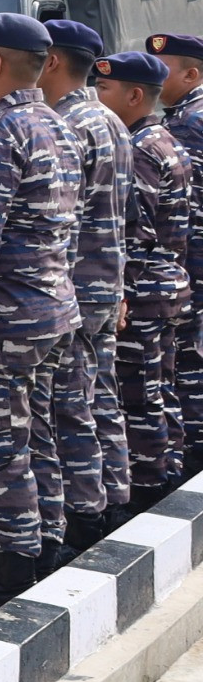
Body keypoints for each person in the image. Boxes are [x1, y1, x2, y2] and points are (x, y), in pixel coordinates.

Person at [0, 13, 82, 614]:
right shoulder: (57, 124)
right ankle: (45, 547)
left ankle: (12, 567)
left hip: (7, 320)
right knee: (39, 436)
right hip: (53, 308)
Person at [38, 18, 132, 566]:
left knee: (69, 408)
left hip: (75, 286)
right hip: (102, 283)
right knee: (98, 400)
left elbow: (62, 224)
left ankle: (86, 516)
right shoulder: (108, 120)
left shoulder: (69, 124)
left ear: (51, 61)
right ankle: (111, 499)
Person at [92, 50, 193, 512]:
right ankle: (168, 469)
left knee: (140, 396)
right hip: (167, 285)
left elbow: (135, 232)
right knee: (160, 386)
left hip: (145, 291)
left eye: (106, 88)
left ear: (135, 95)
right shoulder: (161, 140)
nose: (97, 95)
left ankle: (151, 486)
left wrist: (121, 294)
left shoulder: (140, 149)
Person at [152, 32, 203, 478]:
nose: (154, 72)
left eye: (163, 65)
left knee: (188, 361)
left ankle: (193, 458)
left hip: (193, 259)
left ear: (191, 74)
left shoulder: (187, 123)